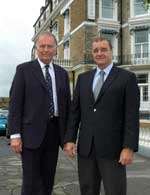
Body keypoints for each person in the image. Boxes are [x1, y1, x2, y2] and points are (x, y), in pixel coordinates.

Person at [64, 37, 140, 195]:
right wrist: (70, 139)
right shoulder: (83, 79)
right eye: (96, 50)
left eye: (104, 49)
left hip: (113, 151)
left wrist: (129, 147)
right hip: (86, 149)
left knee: (115, 191)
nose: (99, 53)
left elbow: (131, 116)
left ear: (112, 52)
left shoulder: (127, 78)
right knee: (88, 190)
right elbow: (75, 112)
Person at [8, 31, 71, 195]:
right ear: (36, 48)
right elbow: (15, 104)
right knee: (30, 181)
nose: (45, 49)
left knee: (48, 179)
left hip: (54, 133)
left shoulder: (62, 74)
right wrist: (15, 135)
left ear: (56, 49)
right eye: (42, 46)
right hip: (30, 135)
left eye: (49, 46)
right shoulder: (24, 70)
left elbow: (67, 107)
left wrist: (69, 137)